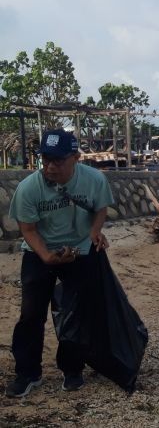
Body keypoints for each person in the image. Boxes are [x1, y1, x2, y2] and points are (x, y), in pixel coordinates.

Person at [6, 130, 115, 398]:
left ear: (75, 158)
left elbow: (100, 208)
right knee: (31, 315)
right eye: (46, 160)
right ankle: (28, 373)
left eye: (58, 161)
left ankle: (72, 368)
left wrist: (94, 231)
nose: (51, 167)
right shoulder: (29, 188)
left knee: (75, 312)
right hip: (40, 252)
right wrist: (46, 257)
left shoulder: (94, 180)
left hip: (80, 250)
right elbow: (28, 229)